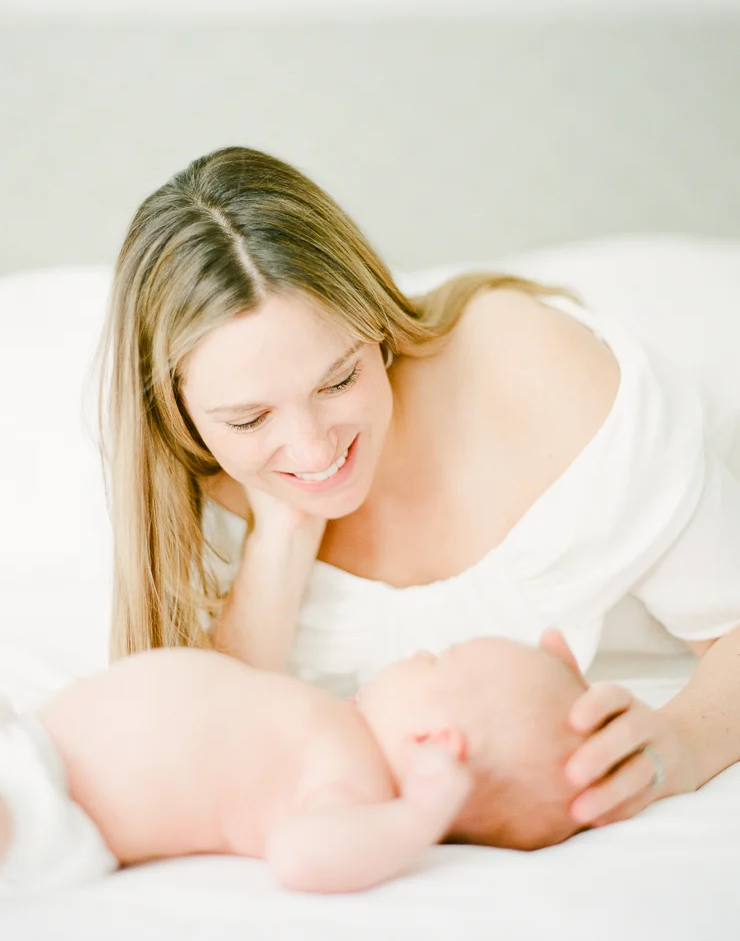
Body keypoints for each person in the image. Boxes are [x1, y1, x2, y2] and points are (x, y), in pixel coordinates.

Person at [99, 145, 740, 832]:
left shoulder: (542, 378)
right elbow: (203, 744)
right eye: (249, 418)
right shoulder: (193, 496)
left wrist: (686, 743)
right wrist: (283, 533)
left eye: (339, 379)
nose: (315, 447)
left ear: (374, 325)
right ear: (178, 415)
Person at [0, 634, 589, 896]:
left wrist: (418, 816)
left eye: (436, 660)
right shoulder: (337, 725)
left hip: (43, 807)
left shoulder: (356, 785)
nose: (414, 652)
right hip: (31, 738)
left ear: (436, 740)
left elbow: (300, 856)